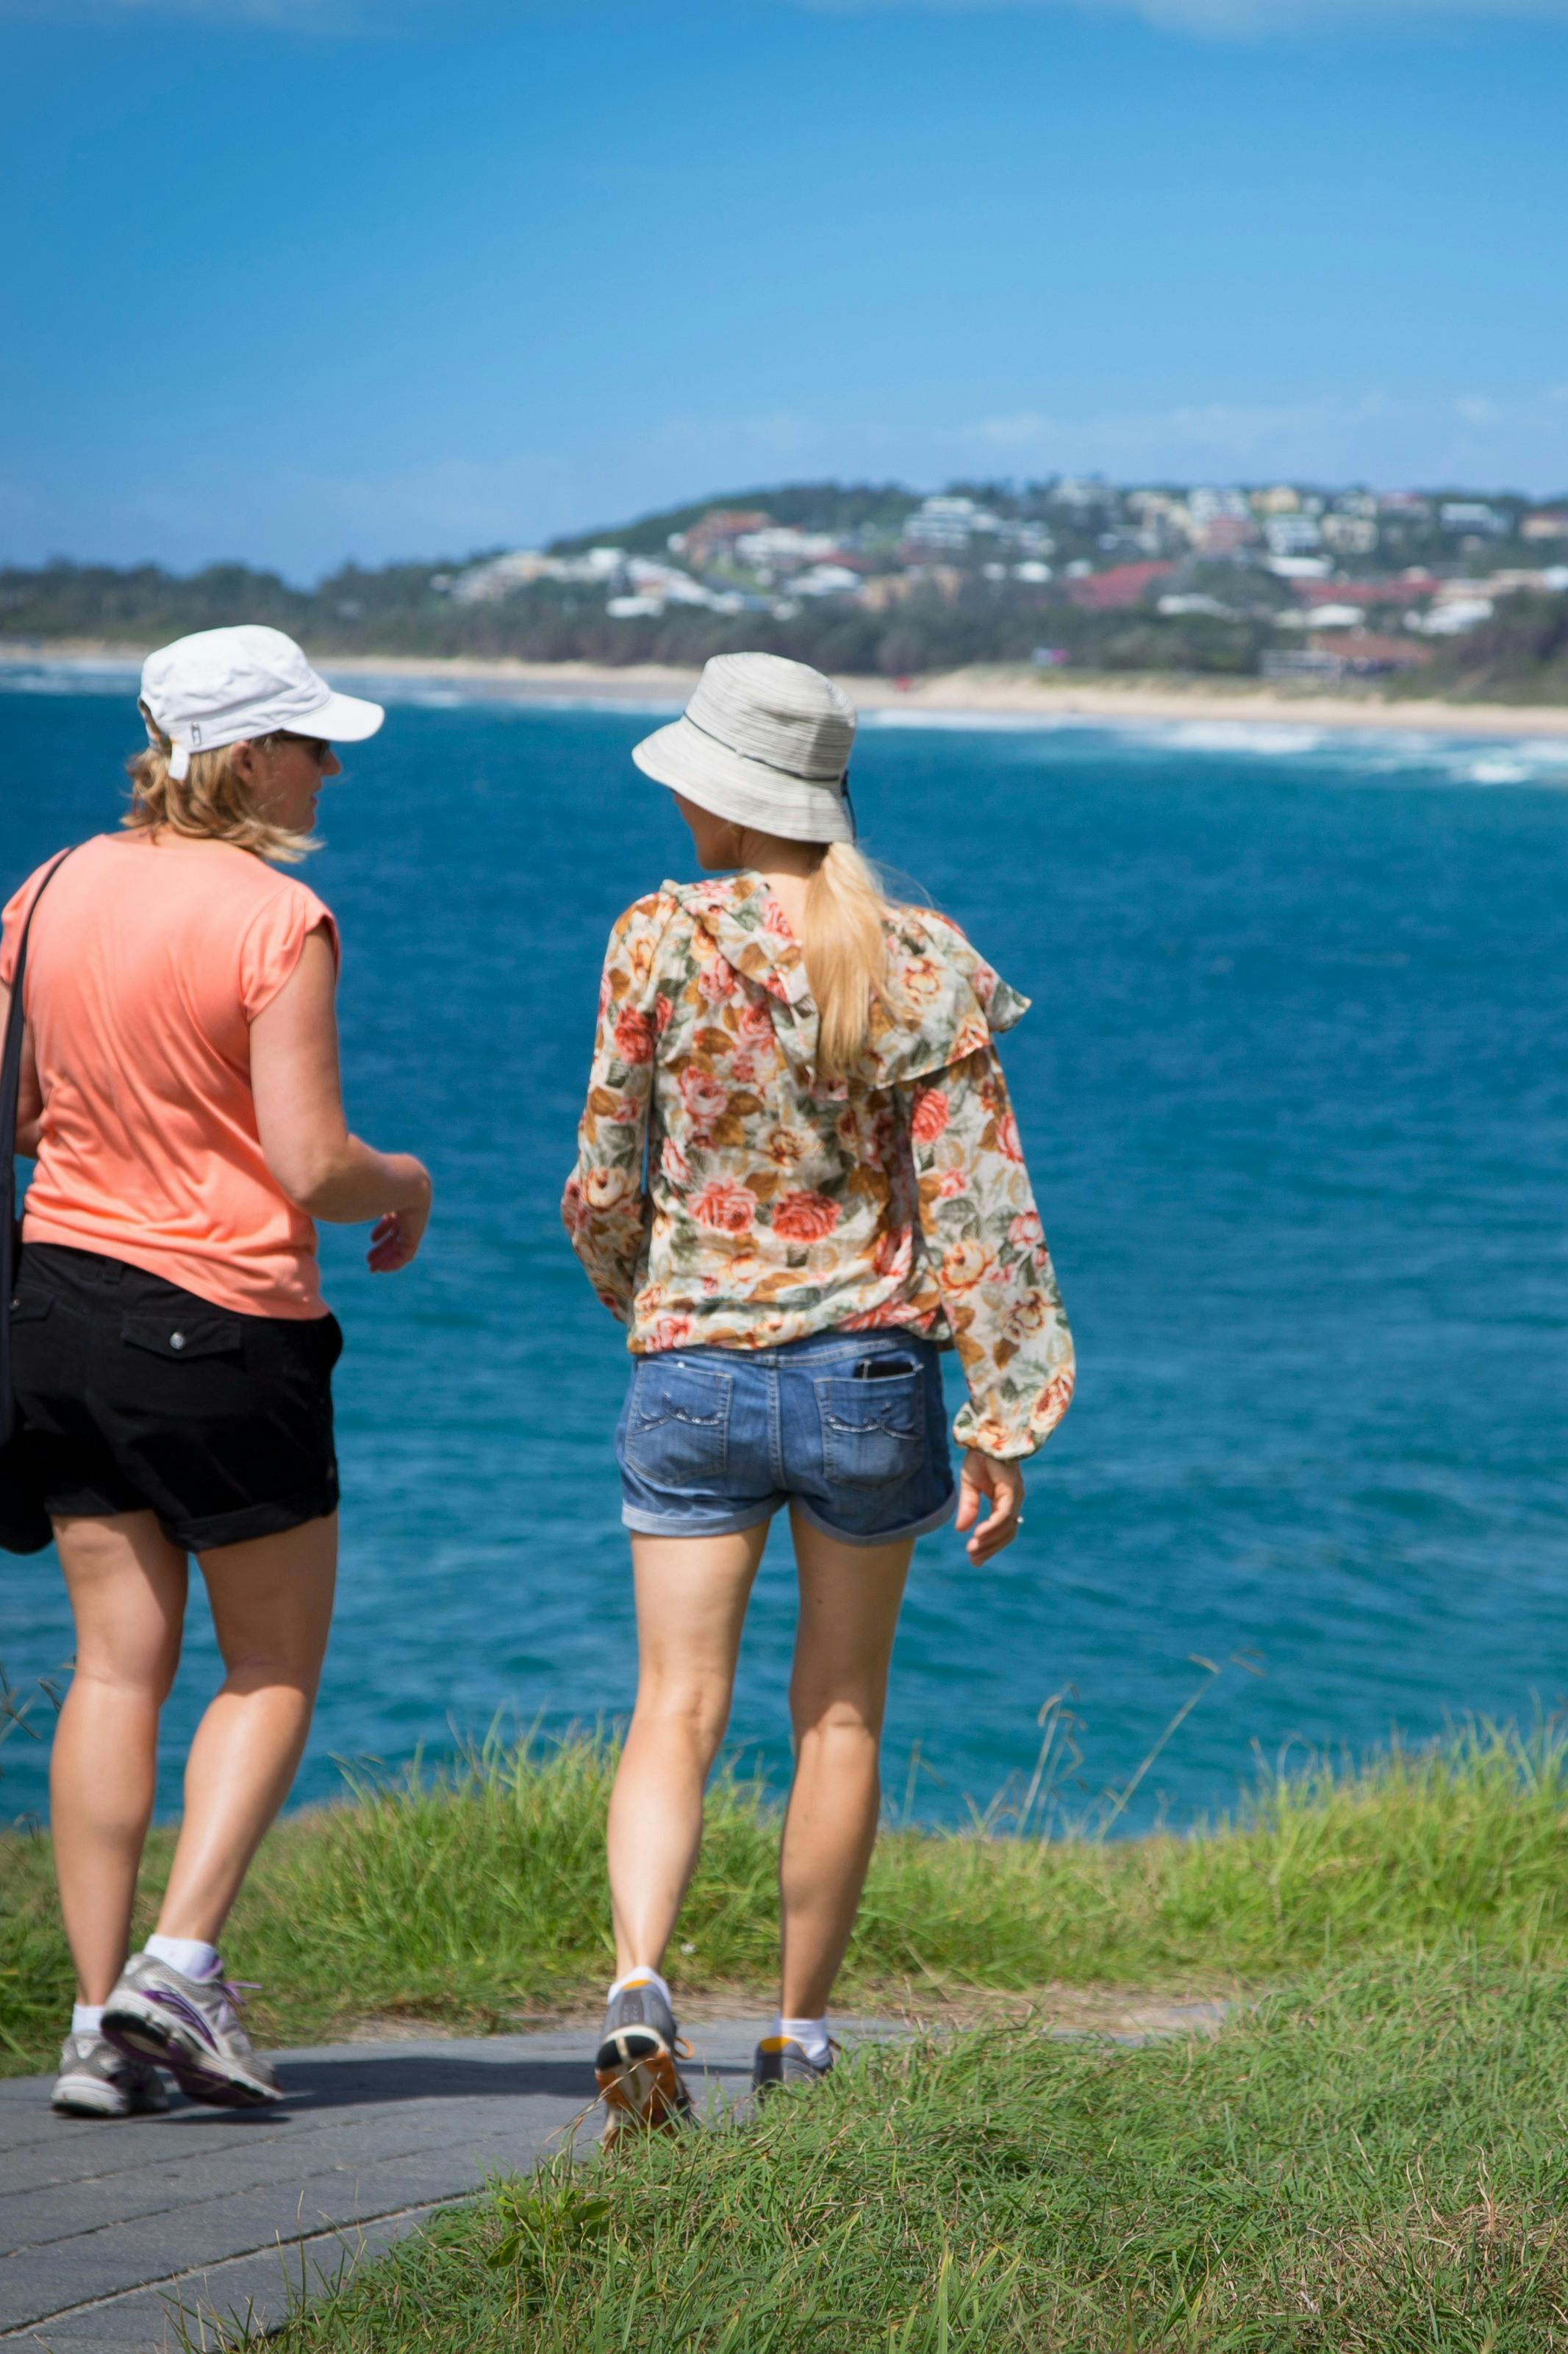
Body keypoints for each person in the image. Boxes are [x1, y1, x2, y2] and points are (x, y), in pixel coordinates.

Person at [562, 652, 1073, 2131]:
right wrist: (1003, 1410)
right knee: (836, 1714)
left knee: (675, 1706)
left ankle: (641, 1984)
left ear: (720, 792)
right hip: (870, 1372)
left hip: (693, 1368)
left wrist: (652, 1302)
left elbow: (606, 1168)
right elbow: (982, 1203)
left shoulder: (655, 935)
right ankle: (794, 2038)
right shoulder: (916, 954)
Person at [0, 626, 433, 2117]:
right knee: (272, 1663)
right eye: (310, 739)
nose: (331, 764)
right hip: (224, 1327)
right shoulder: (278, 917)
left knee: (116, 1662)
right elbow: (312, 1163)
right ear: (246, 759)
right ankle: (180, 1964)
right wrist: (406, 1178)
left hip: (58, 1310)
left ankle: (99, 2020)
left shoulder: (46, 890)